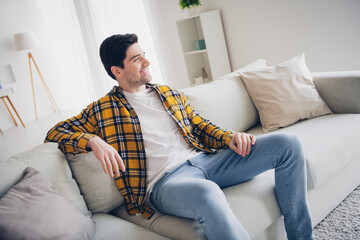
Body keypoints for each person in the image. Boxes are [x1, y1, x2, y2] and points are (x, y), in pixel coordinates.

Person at [45, 33, 313, 240]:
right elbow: (55, 132)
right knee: (206, 193)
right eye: (136, 59)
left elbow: (200, 125)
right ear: (117, 71)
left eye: (144, 55)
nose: (147, 62)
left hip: (207, 162)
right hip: (165, 184)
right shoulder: (103, 109)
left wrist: (229, 137)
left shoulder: (167, 93)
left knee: (288, 145)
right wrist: (94, 141)